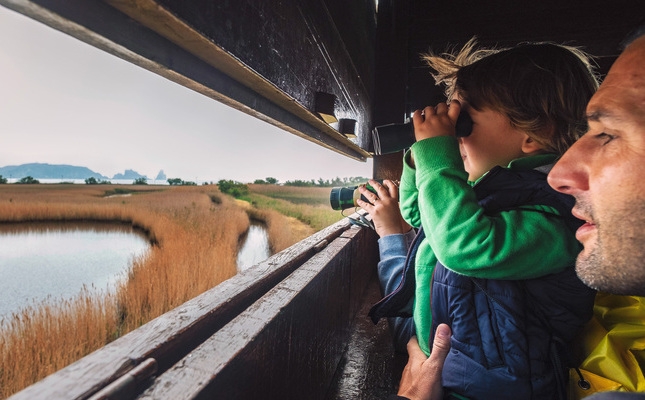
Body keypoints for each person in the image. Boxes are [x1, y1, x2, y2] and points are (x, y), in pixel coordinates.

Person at [394, 24, 645, 400]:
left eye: (464, 123)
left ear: (533, 133)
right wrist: (420, 162)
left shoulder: (557, 214)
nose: (455, 137)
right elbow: (420, 217)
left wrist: (438, 158)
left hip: (498, 389)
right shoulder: (484, 192)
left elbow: (465, 247)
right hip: (452, 369)